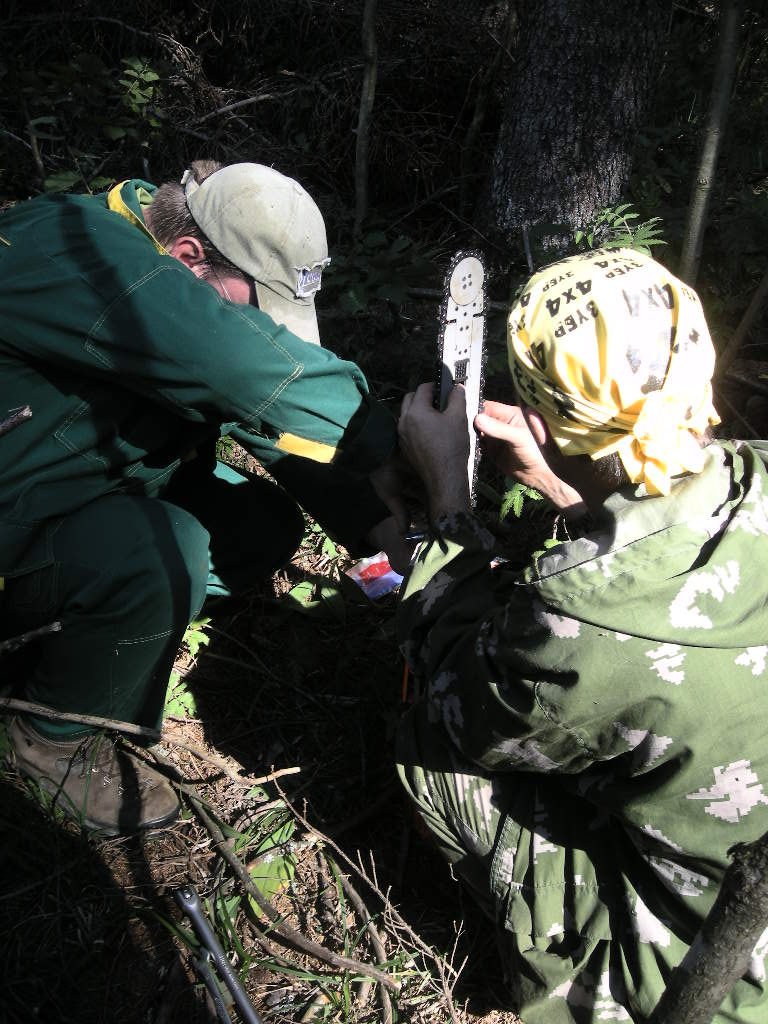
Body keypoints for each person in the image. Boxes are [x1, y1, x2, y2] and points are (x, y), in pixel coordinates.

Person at [395, 248, 768, 1023]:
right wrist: (566, 485)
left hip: (719, 980)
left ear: (540, 420)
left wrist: (447, 497)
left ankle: (594, 988)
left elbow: (466, 704)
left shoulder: (581, 621)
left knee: (432, 750)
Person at [0, 160, 409, 835]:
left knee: (257, 525)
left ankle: (98, 624)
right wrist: (390, 440)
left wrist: (378, 525)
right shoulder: (86, 254)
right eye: (254, 310)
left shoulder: (165, 267)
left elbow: (263, 418)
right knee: (163, 551)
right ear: (191, 256)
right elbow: (237, 365)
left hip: (78, 484)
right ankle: (54, 736)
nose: (260, 330)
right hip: (18, 514)